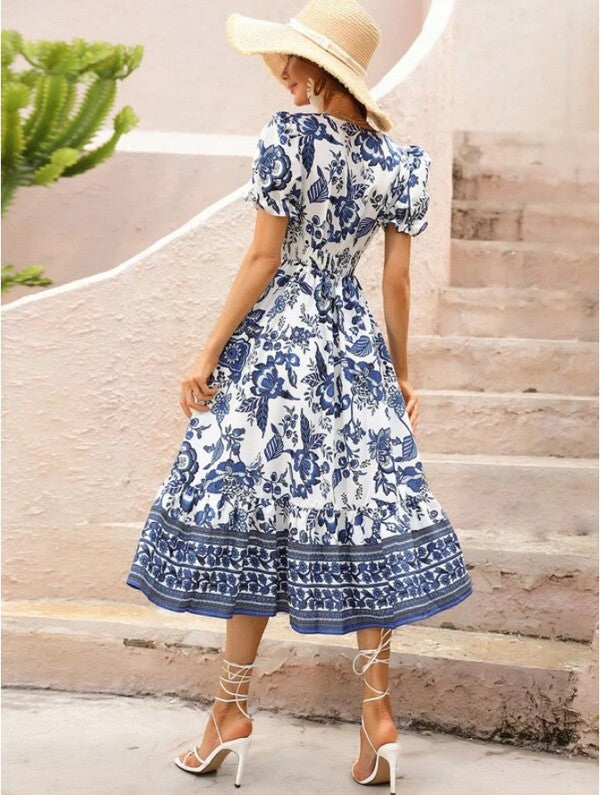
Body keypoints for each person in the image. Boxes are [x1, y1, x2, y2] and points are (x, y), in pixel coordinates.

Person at [125, 0, 474, 790]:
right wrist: (400, 369)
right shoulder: (398, 162)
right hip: (353, 351)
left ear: (323, 68)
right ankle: (378, 718)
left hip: (281, 347)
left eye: (290, 60)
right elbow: (394, 280)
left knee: (254, 515)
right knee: (361, 519)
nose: (280, 73)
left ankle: (230, 710)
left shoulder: (288, 141)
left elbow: (260, 259)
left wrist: (207, 349)